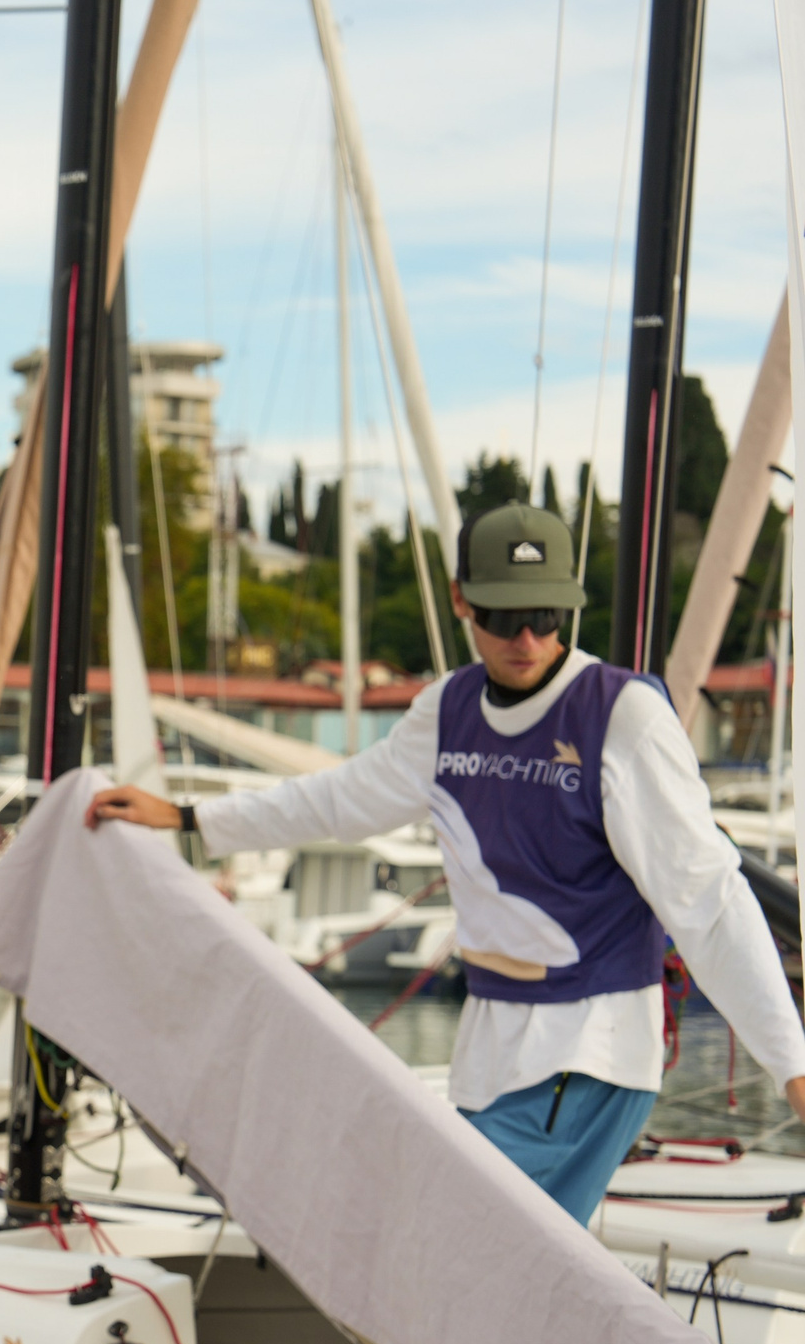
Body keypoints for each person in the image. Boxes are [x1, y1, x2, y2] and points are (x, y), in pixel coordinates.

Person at [89, 502, 805, 1224]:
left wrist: (792, 1066)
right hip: (491, 1052)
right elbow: (336, 801)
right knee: (493, 1267)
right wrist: (189, 817)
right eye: (502, 615)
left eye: (547, 614)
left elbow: (710, 902)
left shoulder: (623, 717)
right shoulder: (447, 711)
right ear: (462, 600)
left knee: (450, 1237)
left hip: (588, 1052)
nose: (527, 638)